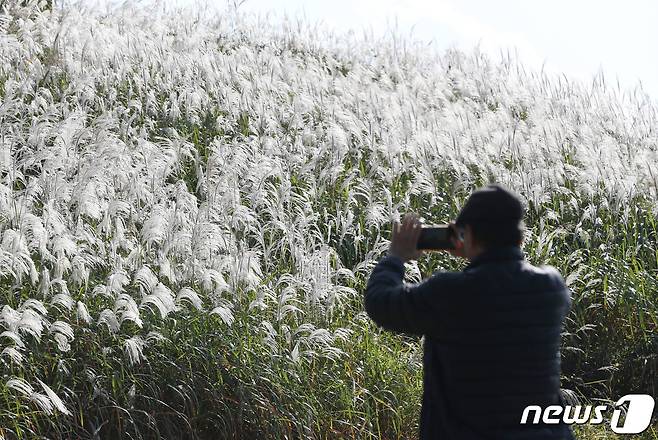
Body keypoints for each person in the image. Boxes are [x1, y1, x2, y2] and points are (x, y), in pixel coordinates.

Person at [364, 184, 575, 440]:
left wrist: (395, 258)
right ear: (520, 238)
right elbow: (504, 290)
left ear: (469, 234)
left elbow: (381, 303)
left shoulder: (449, 292)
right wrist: (474, 250)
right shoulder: (551, 286)